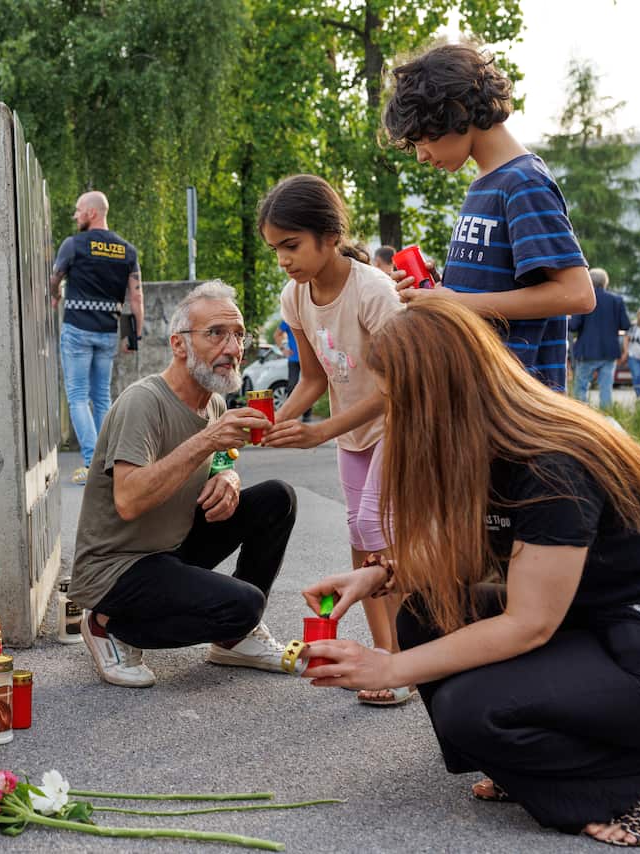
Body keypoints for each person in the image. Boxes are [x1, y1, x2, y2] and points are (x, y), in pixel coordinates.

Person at [301, 299, 640, 847]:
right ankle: (536, 762)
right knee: (424, 614)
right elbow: (481, 558)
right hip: (594, 626)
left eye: (399, 403)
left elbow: (529, 623)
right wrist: (381, 575)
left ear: (441, 396)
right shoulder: (486, 443)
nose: (393, 419)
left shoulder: (553, 462)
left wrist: (390, 669)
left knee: (468, 711)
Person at [66, 281, 297, 688]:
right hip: (118, 569)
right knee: (244, 605)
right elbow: (129, 500)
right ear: (179, 345)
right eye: (216, 334)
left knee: (278, 497)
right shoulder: (143, 402)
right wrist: (207, 439)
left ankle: (234, 640)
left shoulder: (214, 402)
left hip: (170, 548)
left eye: (239, 335)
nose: (232, 348)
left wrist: (228, 476)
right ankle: (108, 625)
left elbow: (219, 460)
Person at [257, 175, 412, 706]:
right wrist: (275, 422)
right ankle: (385, 653)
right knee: (361, 537)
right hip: (354, 435)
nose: (283, 260)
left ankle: (405, 660)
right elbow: (313, 378)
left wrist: (320, 431)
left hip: (400, 425)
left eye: (291, 245)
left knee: (378, 530)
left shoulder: (374, 292)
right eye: (275, 249)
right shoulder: (295, 295)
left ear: (329, 236)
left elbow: (399, 388)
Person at [383, 43, 595, 392]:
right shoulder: (485, 183)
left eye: (421, 139)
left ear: (456, 110)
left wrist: (456, 301)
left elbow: (577, 294)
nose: (420, 156)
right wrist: (440, 290)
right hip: (483, 394)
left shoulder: (523, 182)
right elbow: (495, 289)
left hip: (518, 403)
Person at [51, 191, 145, 485]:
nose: (75, 215)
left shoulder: (74, 244)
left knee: (78, 396)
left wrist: (54, 296)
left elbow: (54, 279)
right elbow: (137, 298)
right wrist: (134, 335)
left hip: (77, 330)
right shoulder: (126, 250)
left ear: (91, 212)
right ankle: (108, 462)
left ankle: (93, 463)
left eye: (78, 210)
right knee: (102, 397)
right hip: (107, 332)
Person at [569, 268, 630, 409]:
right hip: (609, 351)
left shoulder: (584, 298)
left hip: (587, 351)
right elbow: (625, 325)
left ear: (589, 281)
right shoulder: (617, 300)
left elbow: (574, 325)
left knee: (581, 386)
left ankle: (582, 415)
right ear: (605, 282)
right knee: (606, 388)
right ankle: (606, 414)